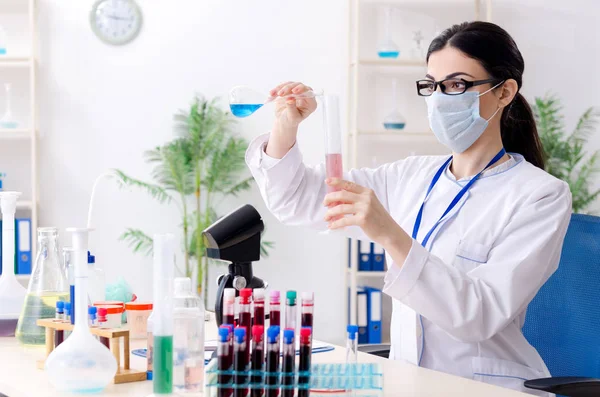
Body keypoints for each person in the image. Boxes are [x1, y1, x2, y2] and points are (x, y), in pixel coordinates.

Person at [245, 21, 571, 396]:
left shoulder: (540, 195)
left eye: (457, 84)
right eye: (433, 86)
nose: (440, 98)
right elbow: (298, 202)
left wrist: (389, 233)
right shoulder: (410, 176)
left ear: (504, 92)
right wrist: (286, 126)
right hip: (409, 382)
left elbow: (478, 315)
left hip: (485, 387)